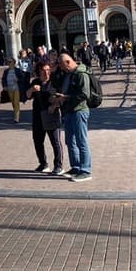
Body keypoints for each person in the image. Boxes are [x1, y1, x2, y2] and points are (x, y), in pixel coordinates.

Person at [53, 52, 92, 182]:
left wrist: (67, 97)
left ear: (69, 62)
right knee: (70, 141)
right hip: (69, 111)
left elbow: (85, 94)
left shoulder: (81, 74)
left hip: (79, 111)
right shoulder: (69, 74)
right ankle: (75, 167)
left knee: (82, 141)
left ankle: (85, 170)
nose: (61, 68)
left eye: (62, 65)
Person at [28, 63, 64, 174]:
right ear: (39, 71)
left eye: (48, 70)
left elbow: (61, 97)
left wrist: (54, 106)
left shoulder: (54, 82)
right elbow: (27, 95)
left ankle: (58, 166)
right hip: (37, 115)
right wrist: (32, 90)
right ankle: (43, 164)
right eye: (43, 70)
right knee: (38, 141)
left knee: (55, 141)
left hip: (50, 114)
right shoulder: (35, 82)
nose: (46, 72)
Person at [1, 58, 29, 124]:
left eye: (11, 62)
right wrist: (4, 86)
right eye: (8, 62)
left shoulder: (18, 70)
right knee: (13, 102)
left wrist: (18, 80)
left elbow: (22, 78)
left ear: (14, 63)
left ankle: (16, 117)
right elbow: (3, 79)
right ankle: (16, 111)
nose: (9, 63)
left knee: (16, 102)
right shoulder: (6, 71)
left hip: (16, 88)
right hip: (9, 89)